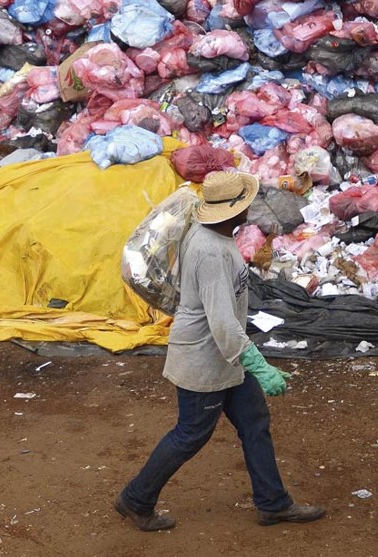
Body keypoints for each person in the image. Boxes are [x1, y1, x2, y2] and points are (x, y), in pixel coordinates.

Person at [114, 170, 325, 531]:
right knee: (190, 433)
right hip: (203, 359)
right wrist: (259, 365)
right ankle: (136, 499)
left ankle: (273, 503)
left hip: (226, 359)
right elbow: (223, 323)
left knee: (254, 422)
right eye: (244, 204)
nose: (250, 209)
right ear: (230, 212)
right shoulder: (211, 251)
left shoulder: (215, 234)